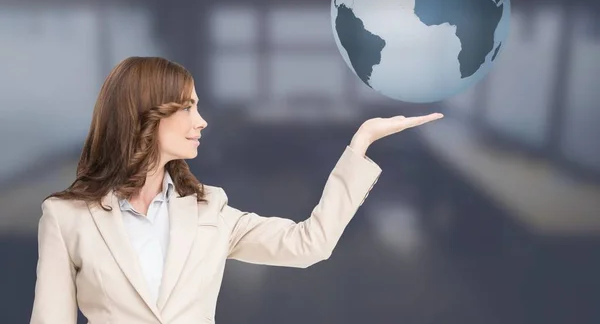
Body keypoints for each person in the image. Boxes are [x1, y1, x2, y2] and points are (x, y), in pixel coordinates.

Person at [29, 56, 443, 324]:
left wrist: (360, 146)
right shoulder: (67, 218)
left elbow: (308, 244)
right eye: (188, 107)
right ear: (147, 116)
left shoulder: (211, 211)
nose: (202, 120)